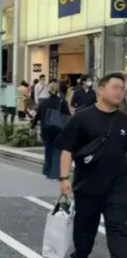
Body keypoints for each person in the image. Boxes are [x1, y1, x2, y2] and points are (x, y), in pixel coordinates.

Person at [56, 72, 127, 257]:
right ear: (101, 90)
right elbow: (66, 148)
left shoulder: (124, 120)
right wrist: (64, 178)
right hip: (87, 187)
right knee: (84, 239)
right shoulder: (82, 118)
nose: (120, 92)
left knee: (119, 232)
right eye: (115, 87)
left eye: (123, 89)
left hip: (118, 188)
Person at [29, 82, 71, 180]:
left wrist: (32, 127)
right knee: (57, 151)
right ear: (58, 91)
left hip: (46, 130)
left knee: (48, 150)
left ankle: (47, 171)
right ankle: (55, 173)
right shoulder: (62, 102)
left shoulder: (43, 103)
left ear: (48, 90)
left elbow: (37, 116)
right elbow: (68, 116)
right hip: (59, 129)